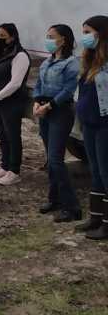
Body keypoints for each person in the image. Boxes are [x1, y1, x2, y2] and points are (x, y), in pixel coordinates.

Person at [33, 24, 81, 223]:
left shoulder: (71, 63)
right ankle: (55, 199)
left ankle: (72, 208)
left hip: (60, 111)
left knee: (55, 159)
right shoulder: (47, 61)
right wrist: (37, 102)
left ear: (64, 39)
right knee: (51, 158)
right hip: (45, 111)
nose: (48, 40)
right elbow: (38, 84)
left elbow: (68, 90)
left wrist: (49, 105)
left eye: (52, 37)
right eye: (47, 36)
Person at [0, 23, 30, 186]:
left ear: (13, 36)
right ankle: (4, 166)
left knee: (12, 136)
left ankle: (14, 171)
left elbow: (15, 83)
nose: (0, 39)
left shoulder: (20, 56)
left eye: (3, 36)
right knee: (2, 135)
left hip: (12, 102)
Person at [75, 15, 108, 240]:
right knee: (95, 171)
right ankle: (96, 217)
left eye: (88, 32)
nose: (85, 37)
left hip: (104, 124)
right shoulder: (90, 59)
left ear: (101, 33)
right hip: (89, 123)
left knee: (105, 172)